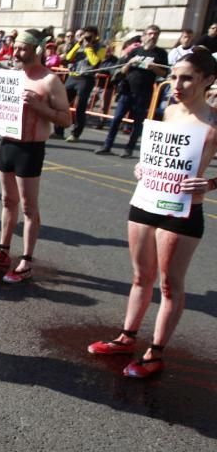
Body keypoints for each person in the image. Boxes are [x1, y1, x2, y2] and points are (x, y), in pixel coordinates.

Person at [87, 48, 217, 378]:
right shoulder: (170, 111)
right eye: (174, 76)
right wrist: (143, 167)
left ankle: (155, 352)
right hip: (147, 200)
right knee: (140, 277)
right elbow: (159, 154)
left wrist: (211, 182)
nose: (178, 84)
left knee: (170, 285)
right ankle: (126, 337)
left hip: (183, 210)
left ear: (209, 81)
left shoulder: (214, 119)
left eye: (187, 78)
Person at [0, 30, 70, 283]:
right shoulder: (12, 77)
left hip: (31, 148)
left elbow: (66, 119)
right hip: (8, 144)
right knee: (7, 201)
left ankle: (26, 259)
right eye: (15, 47)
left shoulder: (49, 81)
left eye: (23, 48)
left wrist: (39, 107)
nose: (17, 52)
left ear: (37, 49)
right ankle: (3, 251)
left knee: (28, 206)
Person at [95, 25, 169, 158]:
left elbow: (164, 73)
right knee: (116, 119)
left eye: (156, 34)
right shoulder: (135, 51)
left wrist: (154, 68)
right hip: (127, 90)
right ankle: (107, 145)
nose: (153, 36)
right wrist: (129, 63)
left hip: (144, 92)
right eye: (151, 34)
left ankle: (129, 148)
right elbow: (122, 70)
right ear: (144, 36)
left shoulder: (161, 53)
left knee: (137, 122)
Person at [59, 26, 106, 141]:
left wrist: (89, 48)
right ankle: (58, 131)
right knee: (62, 103)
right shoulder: (78, 44)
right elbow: (69, 57)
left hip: (86, 79)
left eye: (90, 36)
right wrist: (78, 44)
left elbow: (95, 62)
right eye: (86, 35)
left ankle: (75, 134)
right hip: (73, 76)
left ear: (95, 36)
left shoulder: (101, 47)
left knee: (80, 107)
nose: (88, 38)